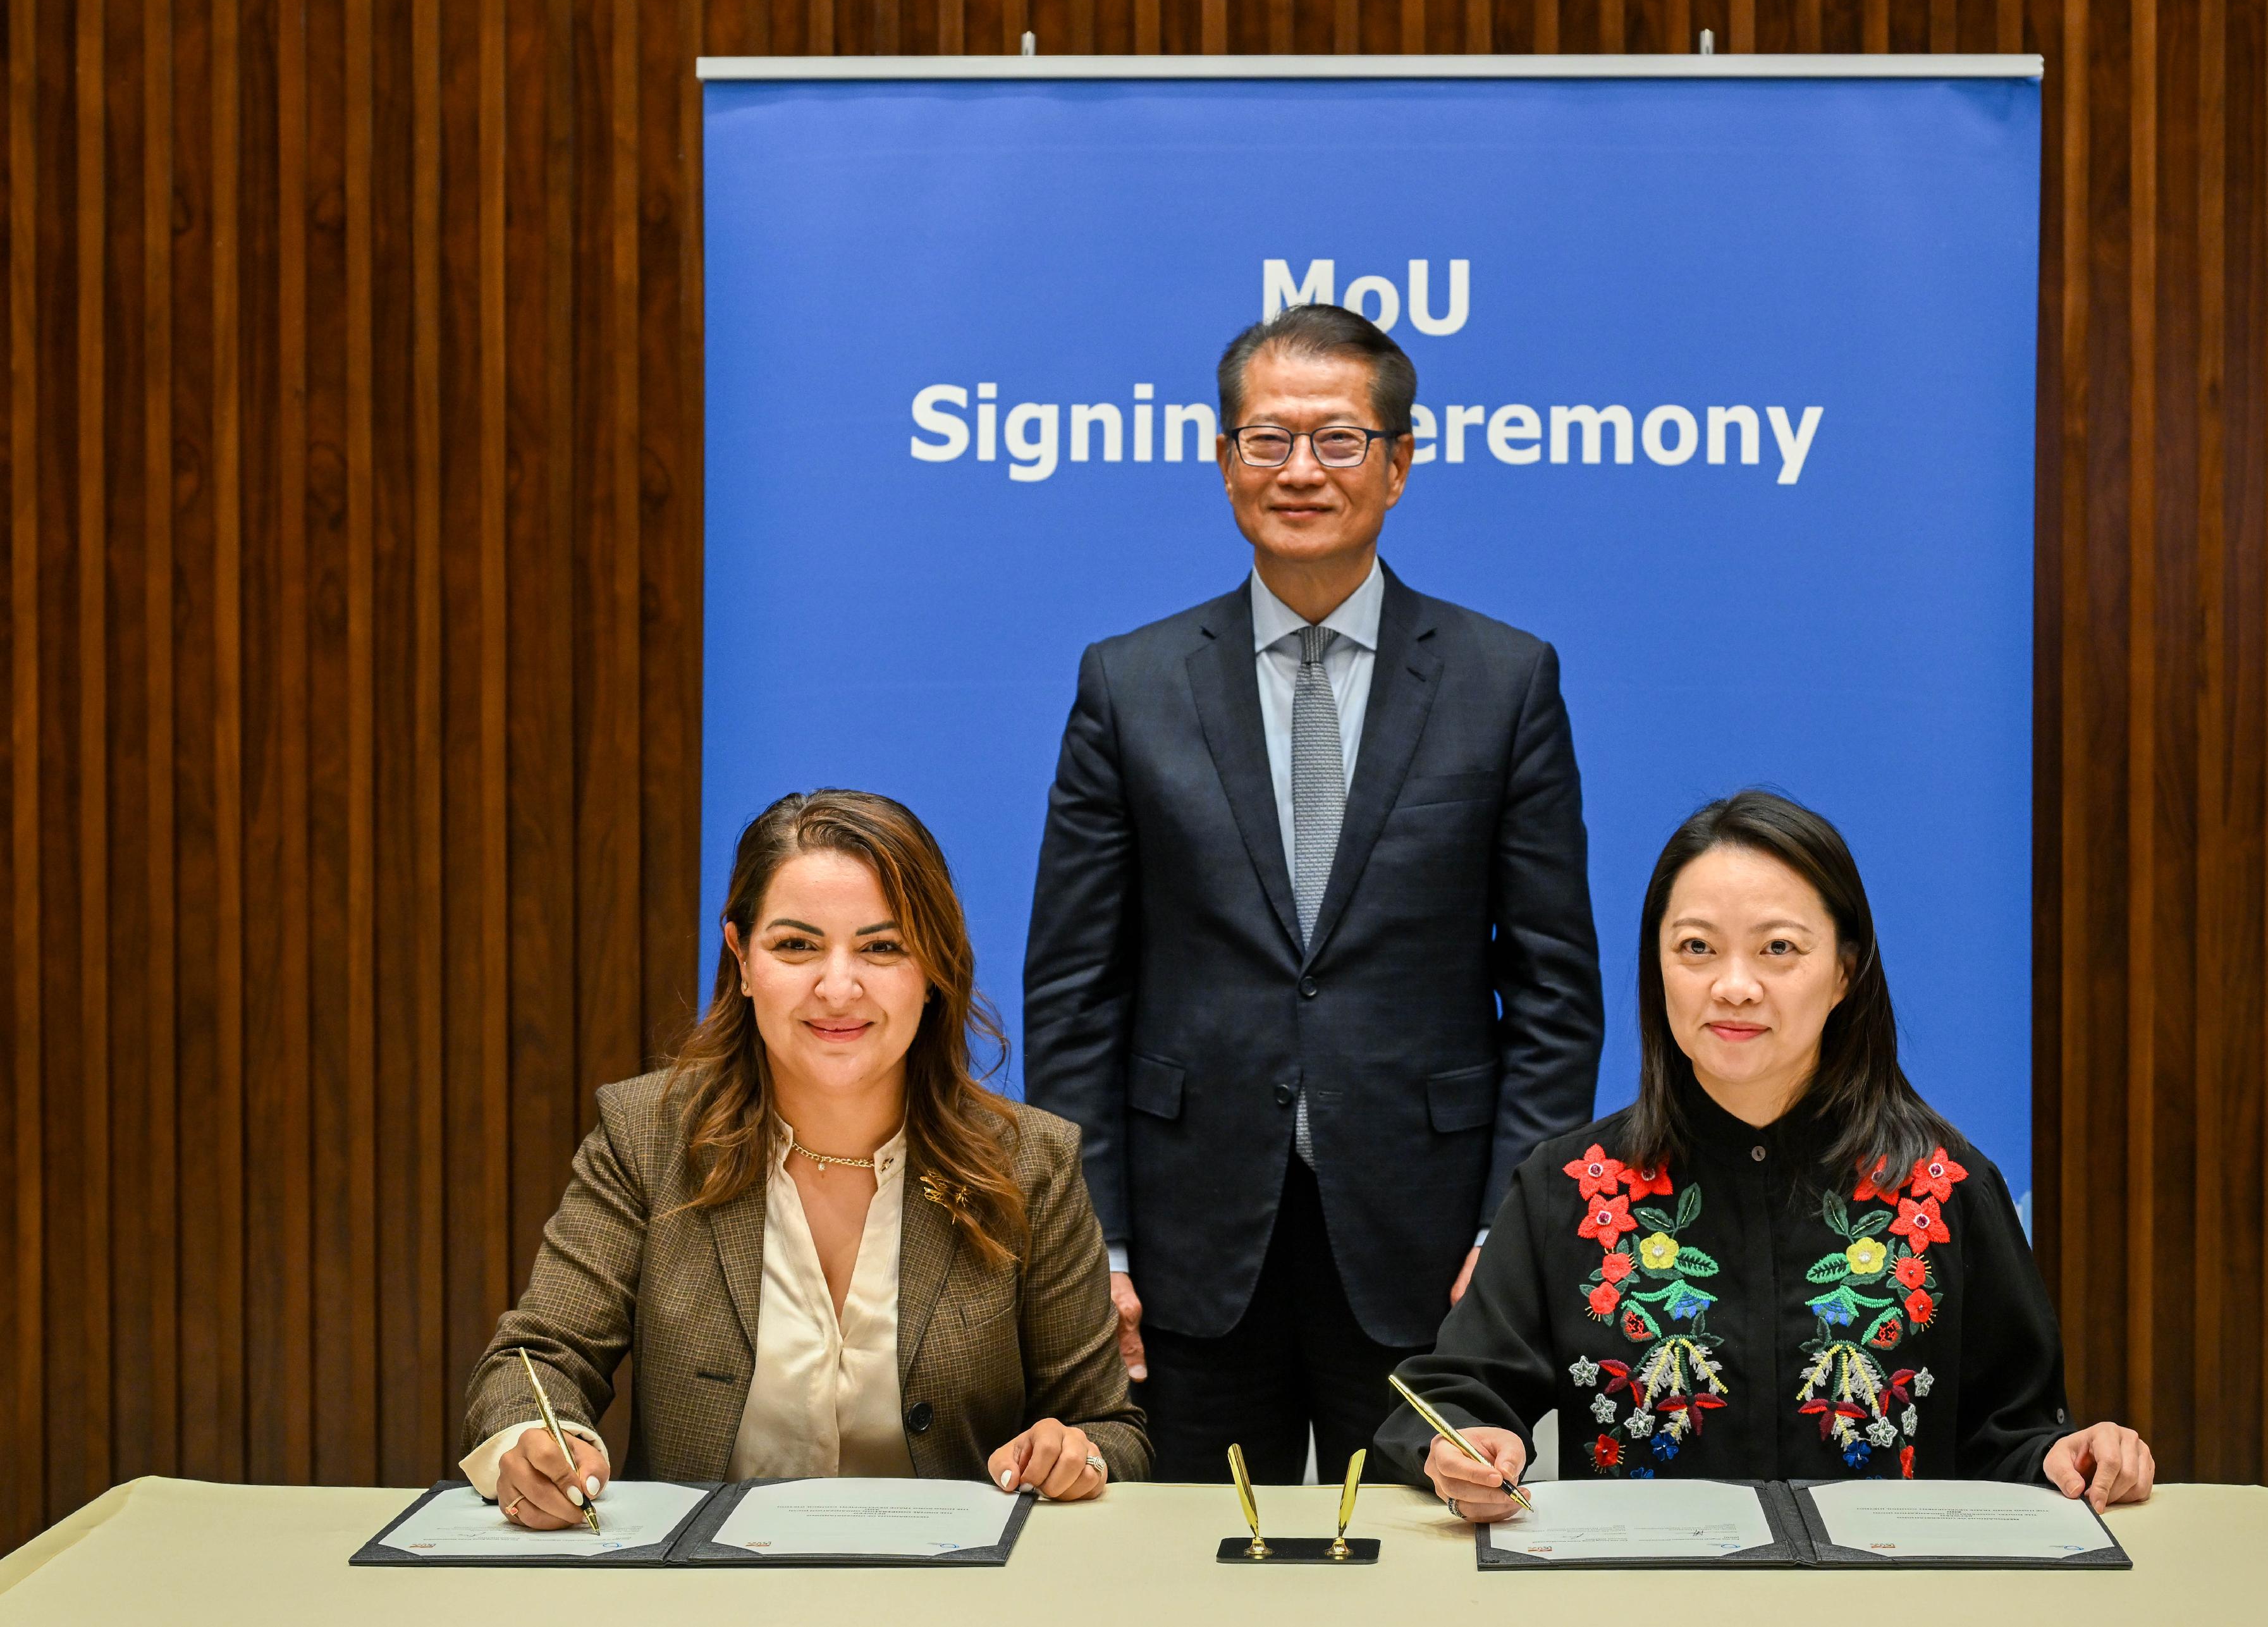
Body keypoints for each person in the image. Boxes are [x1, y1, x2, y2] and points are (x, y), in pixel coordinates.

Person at [1024, 304, 1603, 1483]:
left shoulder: (1505, 682)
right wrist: (1100, 1239)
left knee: (1417, 1567)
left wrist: (1510, 1229)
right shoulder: (1128, 684)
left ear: (1399, 463)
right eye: (1266, 438)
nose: (1299, 470)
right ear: (1224, 459)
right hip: (1188, 1250)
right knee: (1178, 1574)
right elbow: (1077, 986)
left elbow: (1553, 991)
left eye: (1338, 440)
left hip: (1427, 1240)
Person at [1375, 790, 2154, 1515]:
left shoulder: (1944, 1187)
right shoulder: (1572, 1187)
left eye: (1778, 948)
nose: (1735, 986)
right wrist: (1459, 1448)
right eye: (1696, 948)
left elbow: (2011, 1433)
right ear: (1657, 967)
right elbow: (1452, 1394)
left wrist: (2071, 1454)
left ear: (1845, 970)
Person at [462, 789, 1148, 1528]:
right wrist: (538, 1438)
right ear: (742, 957)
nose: (838, 987)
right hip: (702, 1594)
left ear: (934, 969)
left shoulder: (1031, 1163)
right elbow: (535, 1360)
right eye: (796, 945)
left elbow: (1113, 1431)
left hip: (954, 1596)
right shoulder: (645, 1136)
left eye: (883, 947)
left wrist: (1075, 1452)